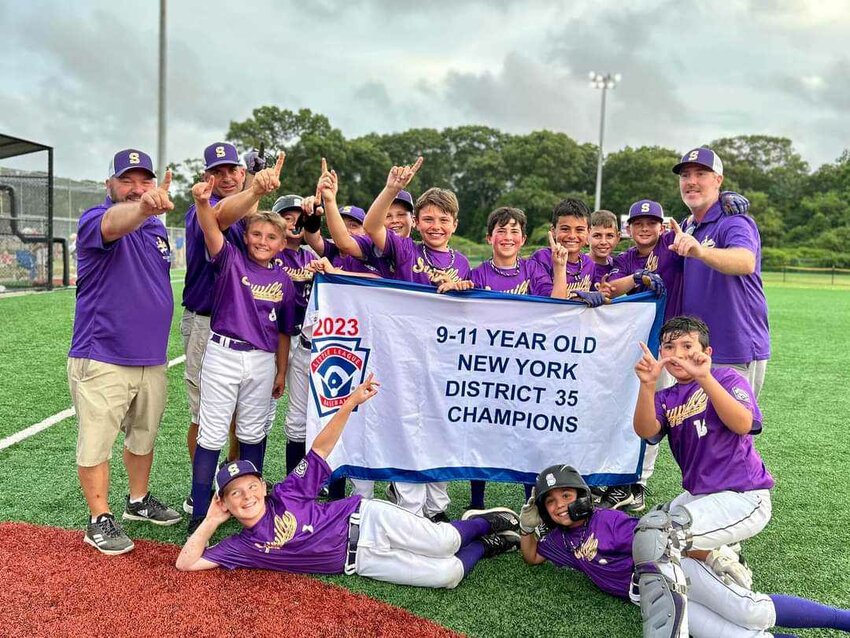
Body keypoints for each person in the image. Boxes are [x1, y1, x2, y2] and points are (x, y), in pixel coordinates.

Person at [175, 374, 522, 590]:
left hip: (366, 520)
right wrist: (210, 519)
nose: (247, 496)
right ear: (227, 504)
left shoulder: (286, 494)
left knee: (444, 540)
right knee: (448, 575)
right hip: (359, 562)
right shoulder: (243, 545)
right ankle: (486, 546)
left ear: (263, 487)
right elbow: (186, 563)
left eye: (251, 486)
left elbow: (321, 448)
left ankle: (483, 522)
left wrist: (350, 403)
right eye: (235, 493)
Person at [519, 464, 850, 638]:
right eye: (551, 501)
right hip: (656, 597)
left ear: (583, 495)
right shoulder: (562, 542)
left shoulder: (606, 521)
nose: (560, 505)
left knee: (751, 613)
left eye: (566, 495)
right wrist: (526, 527)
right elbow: (532, 556)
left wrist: (711, 557)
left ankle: (844, 620)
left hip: (675, 570)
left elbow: (660, 540)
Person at [68, 149, 180, 555]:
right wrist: (143, 208)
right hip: (103, 354)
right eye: (127, 181)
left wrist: (149, 213)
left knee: (143, 435)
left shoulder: (154, 230)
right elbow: (117, 223)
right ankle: (99, 518)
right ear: (109, 184)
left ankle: (137, 501)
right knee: (96, 441)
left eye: (144, 181)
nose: (136, 188)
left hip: (150, 356)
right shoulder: (97, 219)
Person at [186, 157, 296, 534]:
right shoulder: (230, 258)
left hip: (263, 361)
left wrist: (282, 370)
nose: (262, 242)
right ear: (245, 235)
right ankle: (200, 513)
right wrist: (203, 203)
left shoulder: (285, 278)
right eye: (257, 234)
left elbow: (284, 331)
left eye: (271, 237)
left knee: (252, 434)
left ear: (282, 243)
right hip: (223, 355)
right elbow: (211, 228)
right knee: (213, 435)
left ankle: (254, 510)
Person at [362, 158, 471, 521]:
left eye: (443, 220)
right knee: (407, 426)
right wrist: (392, 188)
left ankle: (437, 508)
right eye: (428, 219)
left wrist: (465, 288)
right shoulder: (405, 250)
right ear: (416, 222)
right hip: (404, 356)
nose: (435, 226)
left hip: (445, 360)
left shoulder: (464, 263)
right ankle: (408, 509)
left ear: (455, 224)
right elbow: (371, 225)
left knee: (440, 427)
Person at [633, 316, 773, 559]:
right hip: (699, 496)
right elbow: (645, 431)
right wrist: (647, 385)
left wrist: (704, 377)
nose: (677, 353)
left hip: (742, 494)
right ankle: (721, 553)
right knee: (644, 530)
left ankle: (725, 566)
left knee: (662, 537)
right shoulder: (666, 397)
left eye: (687, 346)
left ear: (706, 352)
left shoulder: (726, 378)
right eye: (669, 347)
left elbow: (742, 424)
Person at [669, 147, 769, 397]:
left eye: (701, 173)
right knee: (693, 431)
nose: (691, 181)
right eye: (685, 175)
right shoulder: (686, 226)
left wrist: (700, 252)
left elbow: (745, 261)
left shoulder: (735, 221)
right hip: (694, 349)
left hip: (734, 348)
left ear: (718, 180)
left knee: (730, 433)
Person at [530, 198, 606, 307]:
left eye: (579, 230)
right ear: (553, 231)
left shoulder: (588, 263)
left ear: (589, 232)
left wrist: (601, 292)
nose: (572, 235)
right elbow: (551, 305)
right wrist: (578, 299)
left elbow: (595, 294)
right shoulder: (541, 258)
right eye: (565, 229)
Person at [587, 209, 621, 287]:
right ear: (587, 236)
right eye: (597, 236)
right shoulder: (579, 266)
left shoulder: (620, 265)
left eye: (609, 236)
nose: (603, 242)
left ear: (617, 237)